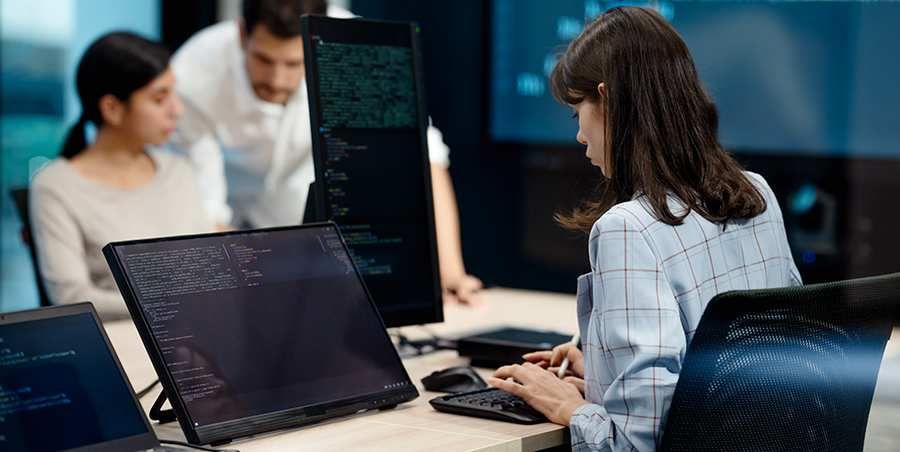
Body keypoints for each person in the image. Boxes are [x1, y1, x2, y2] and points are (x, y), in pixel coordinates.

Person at [488, 7, 803, 451]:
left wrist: (567, 406)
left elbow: (636, 444)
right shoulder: (758, 194)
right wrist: (603, 375)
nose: (579, 135)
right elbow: (739, 382)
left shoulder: (628, 229)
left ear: (607, 101)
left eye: (576, 111)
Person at [170, 0, 483, 304]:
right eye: (264, 60)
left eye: (293, 63)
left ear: (313, 42)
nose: (277, 80)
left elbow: (421, 155)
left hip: (311, 222)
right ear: (241, 35)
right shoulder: (196, 71)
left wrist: (450, 272)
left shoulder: (353, 48)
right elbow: (204, 203)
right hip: (230, 226)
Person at [30, 32, 214, 320]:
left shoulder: (179, 171)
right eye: (159, 98)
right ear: (112, 109)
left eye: (174, 93)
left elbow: (206, 265)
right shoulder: (56, 186)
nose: (177, 110)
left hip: (196, 327)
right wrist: (170, 303)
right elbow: (71, 298)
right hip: (123, 339)